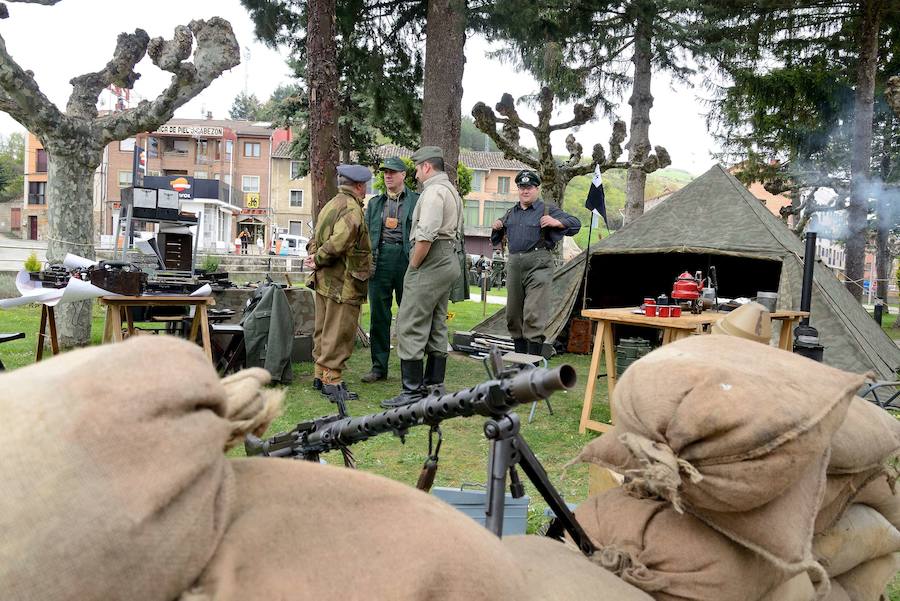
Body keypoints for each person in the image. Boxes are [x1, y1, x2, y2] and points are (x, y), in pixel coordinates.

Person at [381, 146, 462, 409]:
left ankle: (412, 391)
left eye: (416, 168)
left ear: (427, 166)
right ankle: (434, 386)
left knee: (410, 321)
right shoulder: (451, 191)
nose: (415, 173)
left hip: (431, 260)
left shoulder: (433, 192)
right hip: (448, 259)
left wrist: (413, 266)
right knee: (437, 322)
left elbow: (425, 235)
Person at [490, 169, 580, 356]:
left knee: (533, 313)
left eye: (529, 187)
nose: (525, 191)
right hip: (514, 264)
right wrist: (497, 225)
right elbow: (498, 233)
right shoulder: (511, 212)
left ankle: (532, 365)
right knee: (513, 315)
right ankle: (520, 363)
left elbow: (575, 223)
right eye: (522, 187)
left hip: (539, 265)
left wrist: (557, 222)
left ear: (537, 189)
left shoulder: (547, 209)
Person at [305, 164, 373, 402]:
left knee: (323, 328)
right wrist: (320, 257)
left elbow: (315, 238)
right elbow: (339, 242)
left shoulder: (330, 205)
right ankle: (332, 380)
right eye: (365, 186)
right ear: (359, 186)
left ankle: (319, 373)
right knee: (340, 331)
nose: (365, 190)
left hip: (326, 279)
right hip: (344, 282)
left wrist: (315, 257)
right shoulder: (352, 209)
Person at [360, 157, 419, 384]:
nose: (387, 175)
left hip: (407, 260)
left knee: (409, 317)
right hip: (380, 260)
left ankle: (409, 368)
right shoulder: (375, 203)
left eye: (393, 172)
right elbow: (365, 235)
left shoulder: (416, 200)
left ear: (404, 174)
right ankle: (378, 368)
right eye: (385, 172)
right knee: (379, 317)